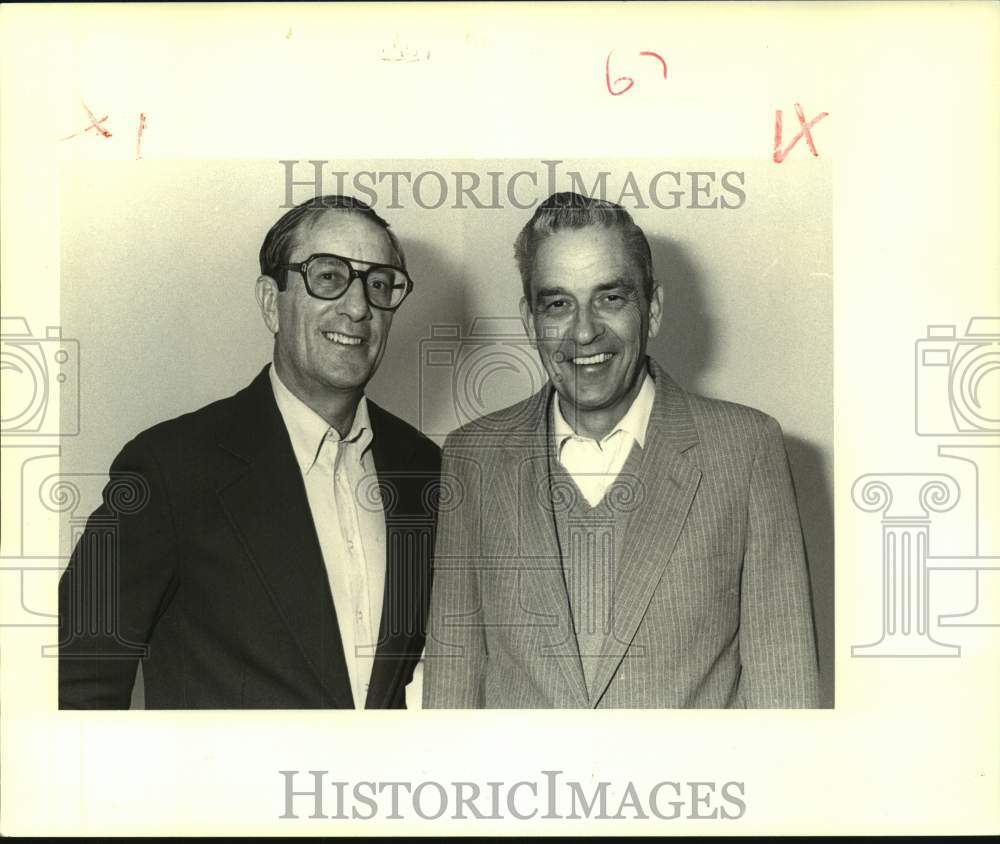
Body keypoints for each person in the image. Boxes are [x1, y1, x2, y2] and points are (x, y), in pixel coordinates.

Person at [423, 192, 819, 708]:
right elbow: (452, 690)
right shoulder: (471, 457)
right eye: (558, 304)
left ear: (651, 310)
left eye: (610, 298)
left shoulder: (745, 449)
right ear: (529, 321)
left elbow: (785, 696)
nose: (584, 331)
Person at [59, 195, 440, 709]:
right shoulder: (169, 468)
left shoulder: (423, 467)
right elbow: (75, 684)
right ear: (269, 302)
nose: (358, 307)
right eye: (328, 277)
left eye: (378, 284)